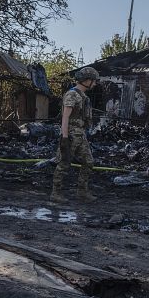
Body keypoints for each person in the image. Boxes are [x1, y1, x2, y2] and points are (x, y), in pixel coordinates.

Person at [51, 67, 99, 204]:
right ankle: (56, 193)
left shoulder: (83, 96)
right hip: (71, 134)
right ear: (87, 80)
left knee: (89, 162)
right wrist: (64, 138)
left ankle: (82, 192)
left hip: (81, 135)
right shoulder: (72, 94)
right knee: (64, 163)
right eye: (93, 81)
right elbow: (65, 117)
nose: (94, 84)